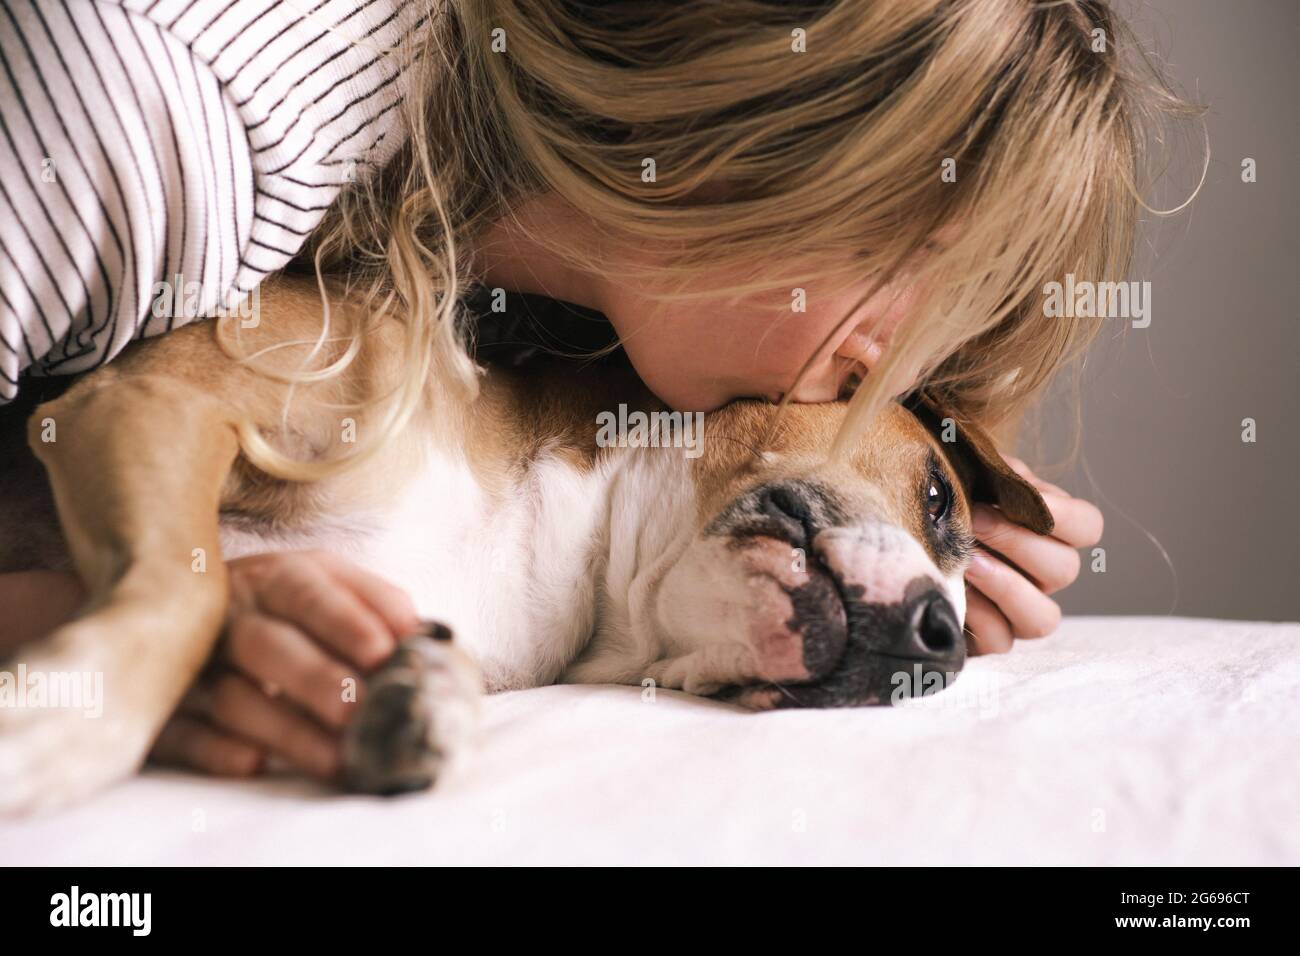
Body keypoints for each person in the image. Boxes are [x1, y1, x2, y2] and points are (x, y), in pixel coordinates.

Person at [2, 0, 1192, 780]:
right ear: (790, 151)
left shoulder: (528, 322)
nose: (873, 376)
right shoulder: (170, 110)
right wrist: (150, 622)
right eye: (907, 314)